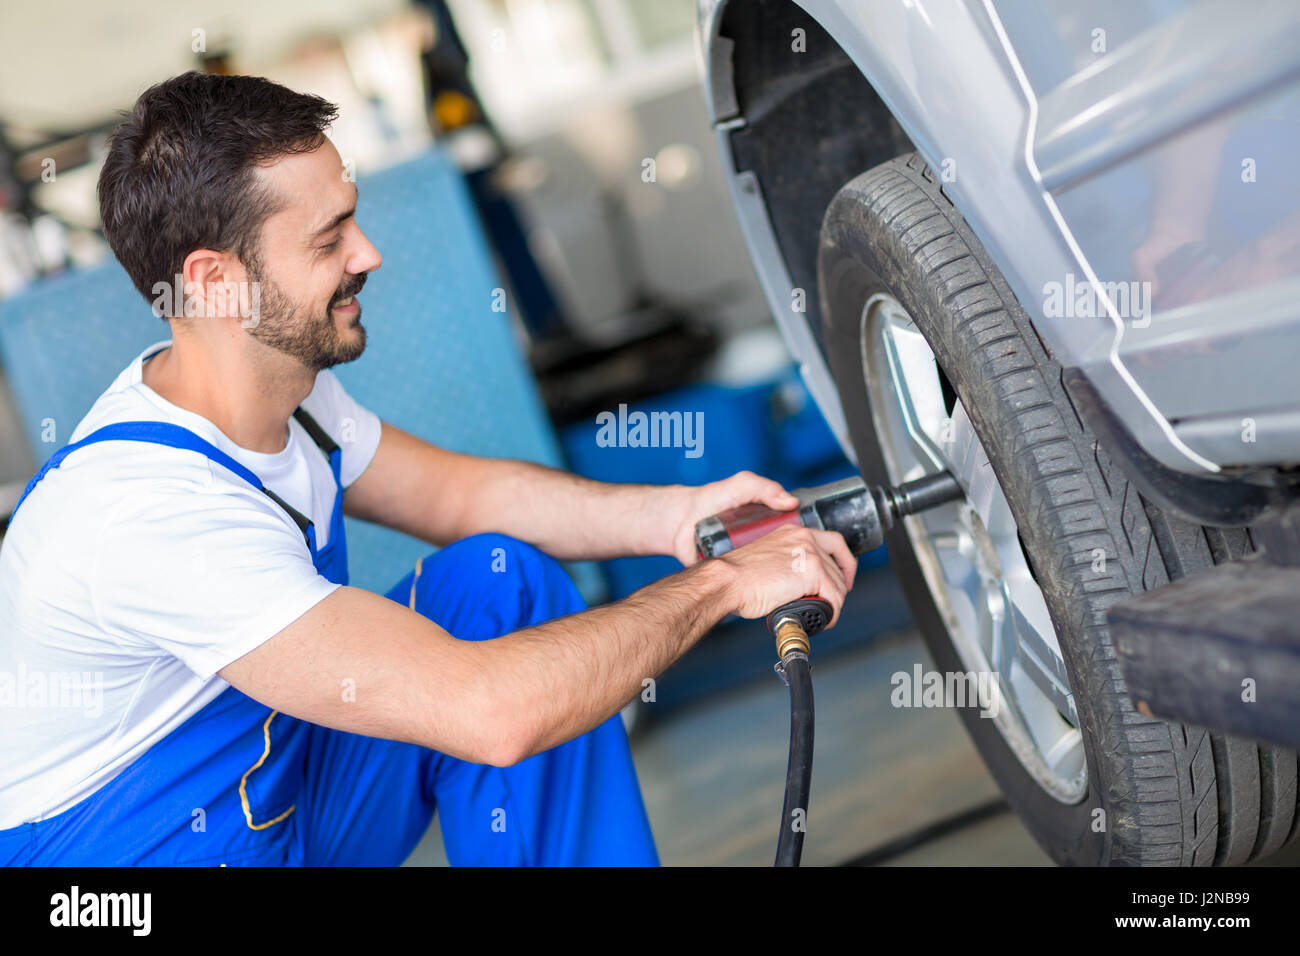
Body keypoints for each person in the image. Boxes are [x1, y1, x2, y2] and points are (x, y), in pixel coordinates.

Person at [0, 72, 856, 866]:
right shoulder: (147, 512)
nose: (368, 254)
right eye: (330, 237)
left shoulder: (279, 401)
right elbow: (491, 713)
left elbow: (463, 494)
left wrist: (677, 520)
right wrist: (724, 584)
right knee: (494, 691)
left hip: (274, 805)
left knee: (496, 589)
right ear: (215, 282)